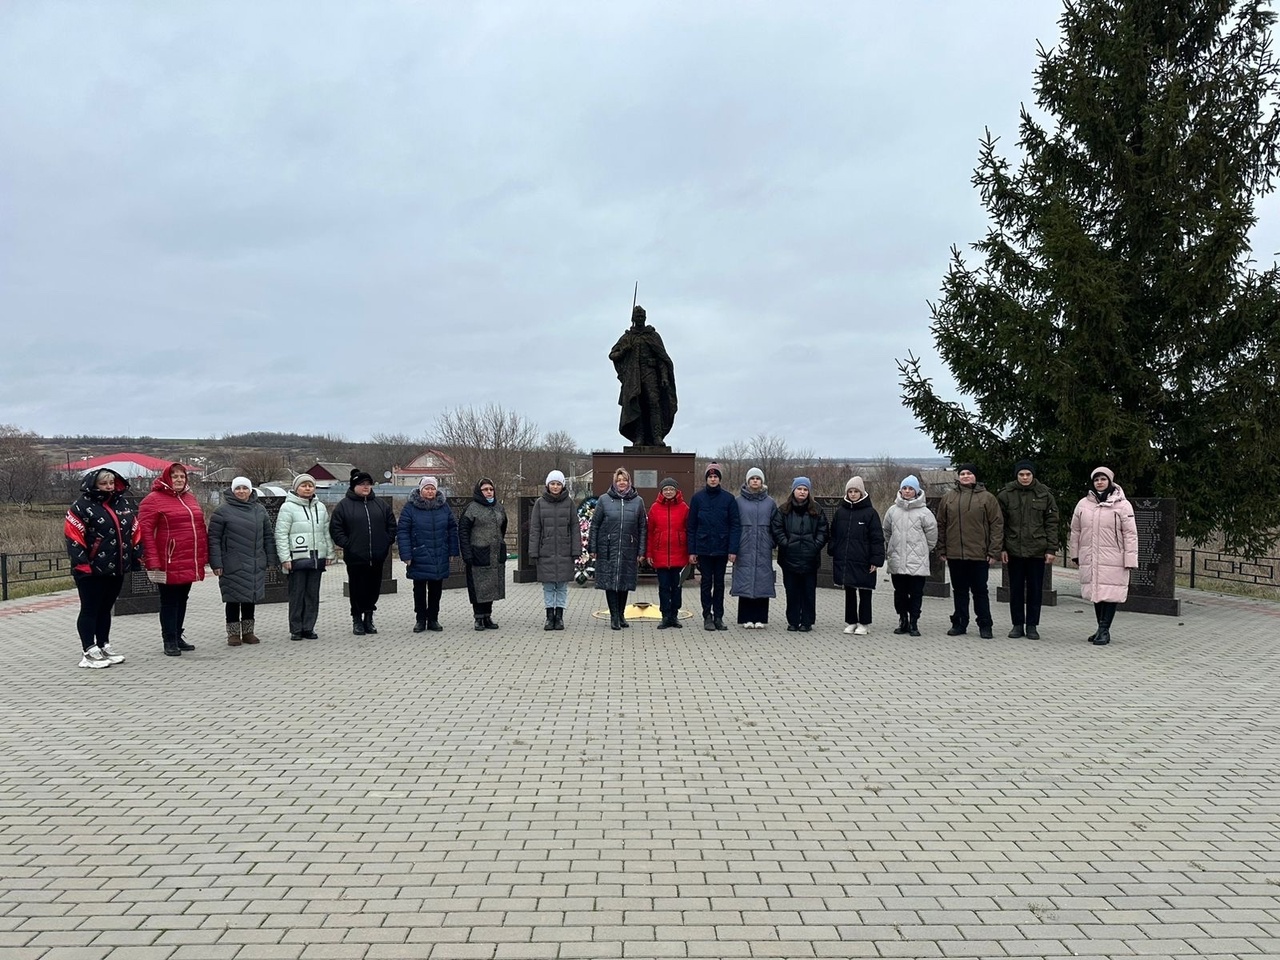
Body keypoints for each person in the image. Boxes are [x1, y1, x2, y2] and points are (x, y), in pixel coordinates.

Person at [64, 468, 140, 668]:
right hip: (90, 568)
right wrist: (81, 564)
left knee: (105, 608)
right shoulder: (80, 507)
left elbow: (134, 530)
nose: (108, 487)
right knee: (90, 609)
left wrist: (136, 556)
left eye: (111, 483)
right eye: (103, 484)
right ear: (94, 485)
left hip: (116, 567)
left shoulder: (122, 504)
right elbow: (73, 537)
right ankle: (88, 650)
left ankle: (103, 644)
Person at [137, 462, 207, 657]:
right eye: (175, 476)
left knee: (182, 599)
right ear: (167, 478)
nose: (179, 480)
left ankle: (178, 635)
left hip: (188, 558)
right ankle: (168, 639)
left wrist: (203, 556)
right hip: (167, 559)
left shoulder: (190, 498)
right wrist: (152, 559)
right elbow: (145, 532)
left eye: (182, 477)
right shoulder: (153, 500)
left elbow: (200, 529)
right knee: (169, 601)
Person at [1069, 466, 1138, 646]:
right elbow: (1075, 531)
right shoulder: (1083, 504)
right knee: (1096, 593)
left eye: (1103, 479)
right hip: (1090, 556)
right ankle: (1100, 627)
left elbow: (1130, 534)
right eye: (1096, 479)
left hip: (1114, 557)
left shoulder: (1123, 505)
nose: (1099, 482)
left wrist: (1130, 559)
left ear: (1110, 481)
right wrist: (1075, 553)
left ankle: (1104, 630)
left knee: (1110, 593)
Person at [208, 477, 278, 646]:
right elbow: (214, 539)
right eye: (237, 488)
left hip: (254, 561)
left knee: (250, 597)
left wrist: (270, 559)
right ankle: (233, 633)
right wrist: (216, 563)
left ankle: (248, 631)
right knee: (232, 598)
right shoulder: (222, 511)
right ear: (232, 490)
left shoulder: (259, 510)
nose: (241, 491)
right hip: (232, 562)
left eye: (244, 488)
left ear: (250, 490)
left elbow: (268, 536)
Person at [936, 463, 1003, 638]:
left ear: (975, 476)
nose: (965, 476)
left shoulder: (987, 498)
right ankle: (959, 623)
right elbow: (941, 525)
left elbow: (996, 525)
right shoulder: (949, 498)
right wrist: (942, 549)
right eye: (962, 473)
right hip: (955, 553)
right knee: (959, 591)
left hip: (979, 554)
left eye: (969, 473)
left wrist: (993, 551)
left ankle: (985, 625)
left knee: (980, 591)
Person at [329, 469, 396, 636]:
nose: (366, 487)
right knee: (357, 589)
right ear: (354, 486)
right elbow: (336, 529)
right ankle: (357, 619)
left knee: (373, 589)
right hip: (356, 557)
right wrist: (348, 544)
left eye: (368, 484)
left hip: (377, 556)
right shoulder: (344, 506)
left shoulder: (381, 505)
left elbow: (391, 525)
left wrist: (386, 541)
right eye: (362, 484)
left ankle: (369, 618)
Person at [998, 459, 1060, 640]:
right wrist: (1001, 548)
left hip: (1037, 550)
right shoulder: (1005, 495)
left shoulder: (1045, 495)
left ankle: (1032, 625)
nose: (1025, 477)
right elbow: (999, 524)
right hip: (1013, 549)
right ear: (1016, 475)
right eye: (1021, 474)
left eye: (1028, 474)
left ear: (1033, 475)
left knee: (1035, 590)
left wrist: (1051, 549)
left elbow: (1052, 523)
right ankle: (1017, 625)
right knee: (1015, 590)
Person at [275, 473, 334, 641]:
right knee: (297, 594)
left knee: (312, 595)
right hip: (297, 558)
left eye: (310, 485)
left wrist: (329, 553)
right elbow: (281, 534)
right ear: (296, 488)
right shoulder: (287, 507)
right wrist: (285, 558)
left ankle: (309, 627)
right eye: (303, 485)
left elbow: (325, 531)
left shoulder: (320, 507)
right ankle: (296, 628)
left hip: (316, 557)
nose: (307, 488)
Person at [609, 304, 678, 447]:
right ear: (633, 318)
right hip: (634, 377)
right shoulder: (627, 338)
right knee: (637, 405)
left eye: (642, 316)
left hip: (650, 374)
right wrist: (624, 351)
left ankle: (657, 436)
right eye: (637, 316)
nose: (640, 318)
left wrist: (664, 377)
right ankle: (638, 438)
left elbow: (662, 359)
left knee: (654, 403)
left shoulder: (653, 336)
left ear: (645, 318)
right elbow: (612, 355)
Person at [397, 476, 459, 633]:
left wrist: (453, 550)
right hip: (419, 554)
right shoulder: (410, 508)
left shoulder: (443, 507)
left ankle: (433, 619)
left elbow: (452, 529)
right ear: (420, 490)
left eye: (432, 488)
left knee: (436, 589)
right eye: (427, 488)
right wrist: (406, 555)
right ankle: (420, 619)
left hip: (439, 553)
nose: (430, 491)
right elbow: (403, 532)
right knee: (419, 589)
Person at [589, 467, 647, 630]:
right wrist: (593, 547)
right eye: (619, 480)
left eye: (625, 480)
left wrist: (641, 550)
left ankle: (621, 614)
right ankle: (614, 616)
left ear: (629, 482)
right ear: (614, 482)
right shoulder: (604, 500)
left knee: (624, 581)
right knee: (610, 582)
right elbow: (595, 525)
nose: (622, 483)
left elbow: (643, 527)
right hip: (608, 548)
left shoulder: (638, 501)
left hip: (629, 548)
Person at [882, 474, 938, 637]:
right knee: (899, 592)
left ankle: (914, 622)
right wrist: (893, 545)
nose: (907, 491)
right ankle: (902, 619)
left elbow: (932, 535)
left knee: (916, 593)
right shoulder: (892, 511)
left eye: (910, 488)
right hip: (897, 559)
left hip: (917, 560)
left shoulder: (924, 512)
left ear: (917, 491)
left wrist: (923, 549)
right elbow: (887, 531)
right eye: (904, 488)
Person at [770, 477, 828, 632]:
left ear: (808, 492)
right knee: (792, 591)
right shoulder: (783, 510)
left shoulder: (817, 510)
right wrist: (786, 543)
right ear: (793, 490)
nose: (802, 492)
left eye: (805, 489)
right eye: (799, 489)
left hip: (810, 558)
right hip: (789, 558)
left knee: (808, 592)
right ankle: (793, 621)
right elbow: (776, 529)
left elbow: (823, 530)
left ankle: (807, 622)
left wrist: (815, 546)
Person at [687, 462, 741, 631]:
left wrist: (733, 550)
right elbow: (691, 526)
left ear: (719, 479)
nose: (712, 479)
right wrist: (692, 550)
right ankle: (707, 616)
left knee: (719, 584)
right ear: (706, 479)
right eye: (710, 477)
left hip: (721, 548)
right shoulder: (697, 498)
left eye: (715, 477)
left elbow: (735, 525)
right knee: (705, 583)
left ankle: (718, 616)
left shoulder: (729, 499)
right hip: (703, 549)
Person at [829, 477, 886, 635]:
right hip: (846, 559)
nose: (853, 494)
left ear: (862, 493)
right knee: (849, 591)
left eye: (856, 491)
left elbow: (877, 538)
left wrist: (876, 559)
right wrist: (833, 549)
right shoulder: (841, 512)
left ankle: (864, 623)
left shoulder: (870, 513)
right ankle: (851, 621)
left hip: (864, 560)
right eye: (850, 491)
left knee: (865, 590)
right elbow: (834, 534)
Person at [528, 470, 577, 631]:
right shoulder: (540, 503)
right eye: (552, 484)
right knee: (548, 587)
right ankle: (549, 617)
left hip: (564, 550)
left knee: (562, 586)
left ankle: (559, 617)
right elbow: (535, 529)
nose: (555, 487)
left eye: (558, 484)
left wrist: (576, 549)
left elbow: (575, 528)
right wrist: (534, 551)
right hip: (546, 551)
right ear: (548, 485)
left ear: (562, 486)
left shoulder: (569, 503)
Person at [731, 467, 779, 628]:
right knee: (745, 580)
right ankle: (746, 618)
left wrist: (771, 542)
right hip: (744, 547)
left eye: (758, 479)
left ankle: (760, 618)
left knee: (762, 582)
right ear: (747, 481)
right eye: (752, 479)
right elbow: (734, 525)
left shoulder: (770, 502)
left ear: (762, 481)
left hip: (763, 547)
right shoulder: (738, 502)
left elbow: (775, 525)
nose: (755, 481)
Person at [459, 477, 508, 631]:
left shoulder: (499, 508)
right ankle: (478, 618)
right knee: (479, 586)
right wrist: (467, 553)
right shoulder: (471, 509)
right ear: (479, 492)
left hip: (494, 554)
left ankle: (487, 616)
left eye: (491, 489)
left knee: (492, 586)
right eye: (485, 489)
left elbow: (503, 527)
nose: (488, 492)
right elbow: (463, 532)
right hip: (477, 553)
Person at [647, 476, 689, 629]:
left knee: (676, 587)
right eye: (666, 489)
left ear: (676, 490)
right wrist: (649, 554)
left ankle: (674, 615)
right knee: (664, 587)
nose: (669, 492)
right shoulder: (654, 508)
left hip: (679, 554)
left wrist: (690, 552)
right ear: (661, 491)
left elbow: (689, 530)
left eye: (671, 489)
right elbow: (650, 533)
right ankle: (665, 616)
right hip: (660, 555)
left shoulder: (684, 508)